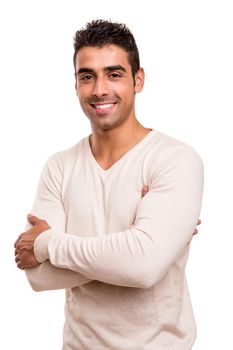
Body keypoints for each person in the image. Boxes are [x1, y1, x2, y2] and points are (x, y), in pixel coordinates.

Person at [14, 19, 204, 350]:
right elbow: (40, 277)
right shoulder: (59, 166)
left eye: (114, 74)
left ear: (138, 80)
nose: (100, 89)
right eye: (87, 76)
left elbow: (143, 267)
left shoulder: (175, 160)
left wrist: (47, 245)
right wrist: (137, 246)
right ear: (75, 84)